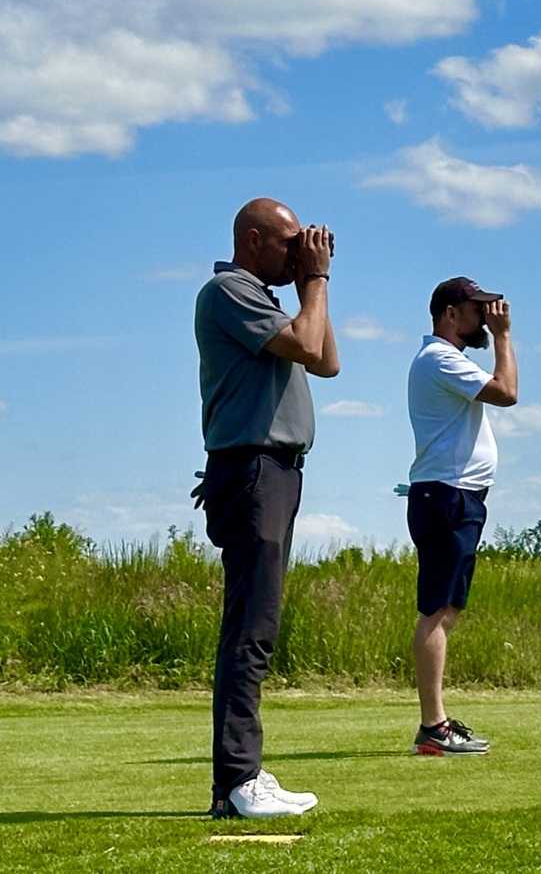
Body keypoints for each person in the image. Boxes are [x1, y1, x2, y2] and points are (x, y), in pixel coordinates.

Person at [193, 198, 338, 819]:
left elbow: (326, 360)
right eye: (287, 243)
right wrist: (317, 280)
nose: (297, 251)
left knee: (256, 626)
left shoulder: (269, 298)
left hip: (273, 471)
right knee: (252, 629)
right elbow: (310, 345)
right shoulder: (228, 290)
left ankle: (241, 778)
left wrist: (309, 284)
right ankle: (237, 782)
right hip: (254, 468)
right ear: (253, 240)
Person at [405, 276, 517, 756]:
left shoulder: (448, 361)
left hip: (456, 496)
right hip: (447, 496)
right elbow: (507, 391)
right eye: (476, 310)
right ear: (451, 313)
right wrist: (506, 338)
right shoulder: (440, 359)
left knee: (446, 609)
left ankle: (437, 724)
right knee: (436, 611)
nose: (485, 319)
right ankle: (433, 727)